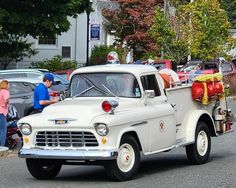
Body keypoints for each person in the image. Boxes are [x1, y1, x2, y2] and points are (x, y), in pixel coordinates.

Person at [0, 80, 10, 147]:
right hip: (2, 112)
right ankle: (2, 146)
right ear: (5, 85)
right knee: (3, 130)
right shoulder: (5, 91)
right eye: (8, 84)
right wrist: (6, 105)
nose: (9, 86)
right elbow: (6, 100)